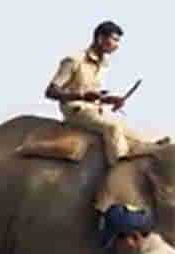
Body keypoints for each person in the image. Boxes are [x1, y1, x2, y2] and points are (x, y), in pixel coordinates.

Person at [44, 20, 169, 171]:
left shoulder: (104, 63)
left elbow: (93, 93)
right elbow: (50, 92)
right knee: (113, 128)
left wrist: (109, 99)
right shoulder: (74, 60)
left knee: (135, 135)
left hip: (95, 110)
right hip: (76, 112)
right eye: (114, 40)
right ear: (100, 38)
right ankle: (119, 169)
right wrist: (82, 96)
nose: (117, 45)